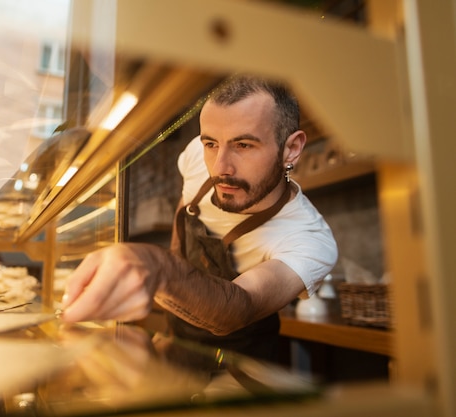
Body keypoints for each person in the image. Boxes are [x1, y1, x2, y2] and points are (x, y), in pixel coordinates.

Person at [61, 75, 338, 362]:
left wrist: (160, 268)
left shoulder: (310, 239)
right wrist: (167, 332)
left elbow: (239, 308)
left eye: (243, 145)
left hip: (244, 370)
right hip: (178, 340)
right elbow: (181, 232)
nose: (220, 167)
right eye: (211, 144)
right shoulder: (196, 154)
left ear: (291, 149)